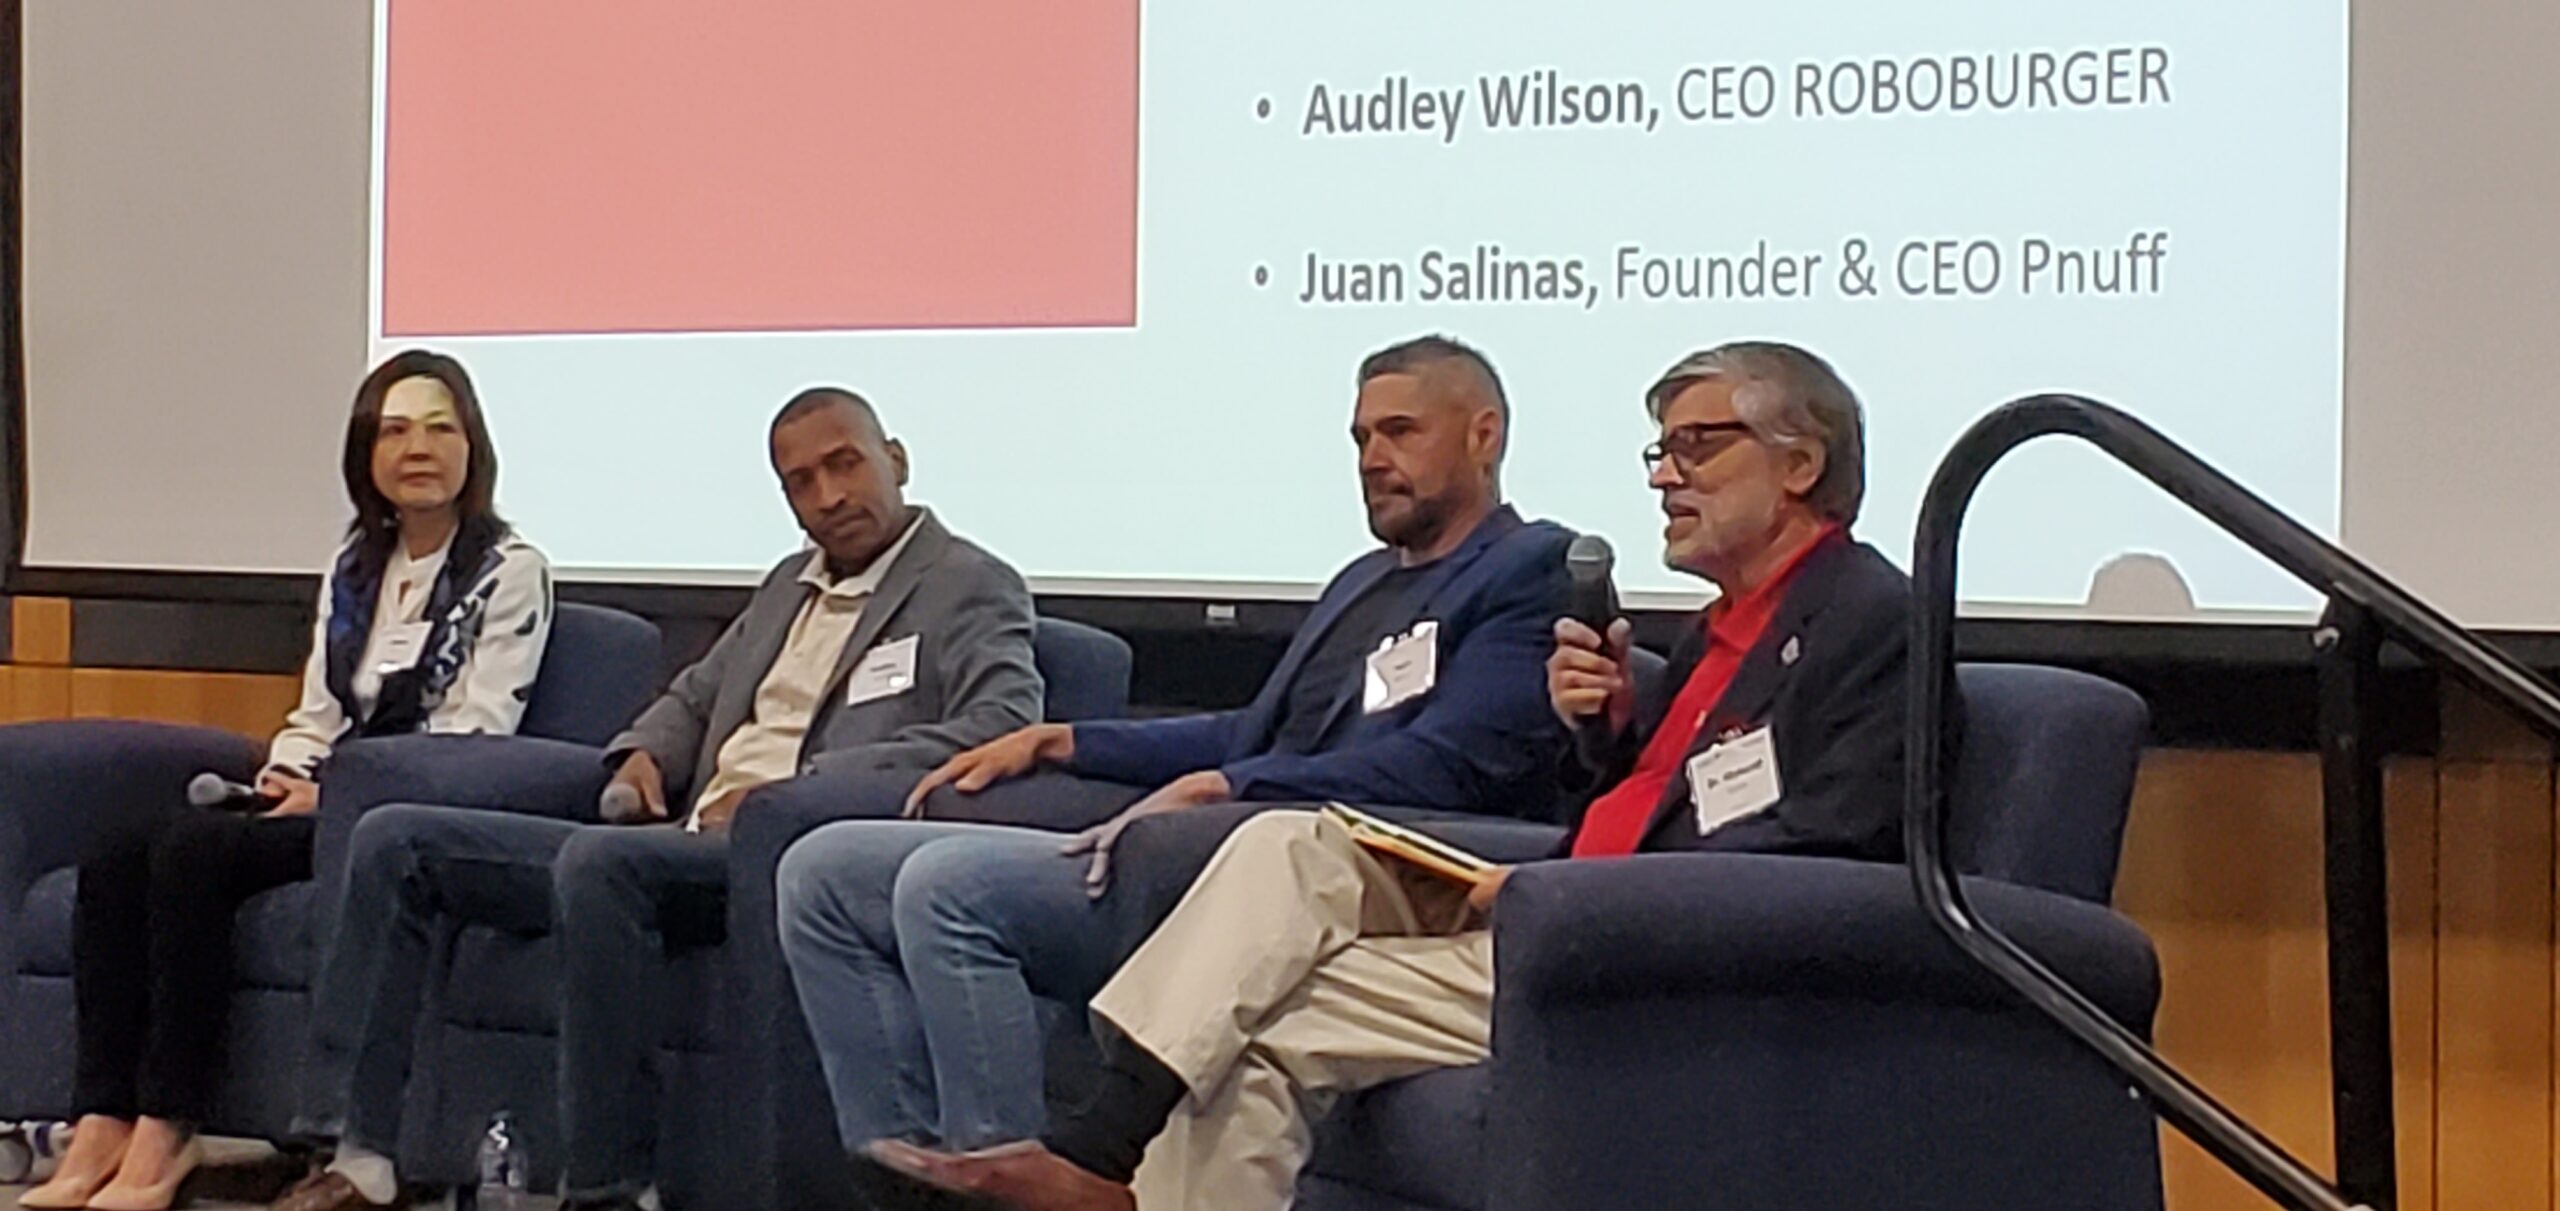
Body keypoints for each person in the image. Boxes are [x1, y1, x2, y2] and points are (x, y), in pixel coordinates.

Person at [848, 340, 1933, 1211]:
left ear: (1800, 464)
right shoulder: (1717, 629)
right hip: (1557, 909)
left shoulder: (1866, 617)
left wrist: (1573, 893)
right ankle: (1101, 1153)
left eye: (1697, 445)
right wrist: (1603, 731)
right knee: (1270, 922)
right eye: (1659, 449)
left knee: (1258, 980)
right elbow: (1658, 797)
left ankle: (1095, 1151)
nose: (1664, 475)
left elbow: (1829, 837)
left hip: (1637, 947)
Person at [772, 335, 1573, 1172]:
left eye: (1401, 431)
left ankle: (1010, 1176)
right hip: (1222, 839)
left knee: (946, 888)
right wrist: (1068, 739)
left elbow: (1448, 764)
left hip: (1314, 875)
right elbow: (1253, 728)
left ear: (1483, 434)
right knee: (824, 871)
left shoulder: (1526, 568)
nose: (1373, 458)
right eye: (1362, 437)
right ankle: (900, 1173)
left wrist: (1233, 784)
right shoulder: (1362, 580)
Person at [276, 388, 1042, 1211]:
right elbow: (694, 694)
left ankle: (609, 1188)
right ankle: (356, 1153)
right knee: (398, 840)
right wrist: (643, 753)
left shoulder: (967, 583)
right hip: (685, 841)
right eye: (800, 481)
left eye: (845, 465)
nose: (828, 496)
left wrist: (799, 790)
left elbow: (999, 722)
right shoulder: (788, 585)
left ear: (895, 460)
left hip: (789, 853)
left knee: (601, 864)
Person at [23, 352, 554, 1211]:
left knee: (194, 856)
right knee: (120, 853)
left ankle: (169, 1125)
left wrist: (335, 791)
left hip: (401, 815)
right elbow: (319, 708)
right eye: (394, 430)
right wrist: (287, 768)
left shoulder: (510, 569)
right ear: (366, 454)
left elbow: (478, 731)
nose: (418, 448)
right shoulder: (356, 566)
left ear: (474, 448)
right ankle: (101, 1118)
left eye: (440, 428)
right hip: (322, 795)